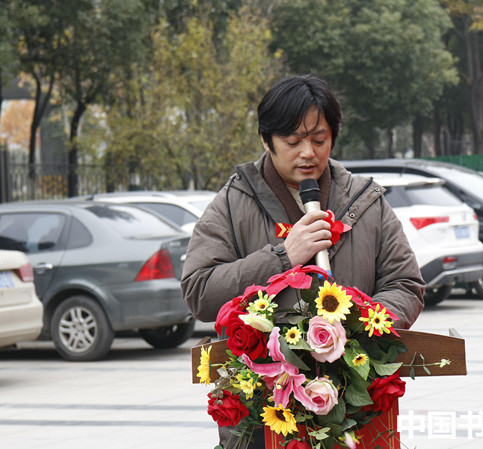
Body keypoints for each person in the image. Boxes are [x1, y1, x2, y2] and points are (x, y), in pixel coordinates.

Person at [181, 74, 425, 448]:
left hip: (354, 407)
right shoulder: (232, 204)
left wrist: (353, 332)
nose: (308, 152)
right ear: (267, 140)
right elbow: (200, 292)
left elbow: (405, 285)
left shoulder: (365, 201)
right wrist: (283, 256)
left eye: (319, 139)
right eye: (293, 141)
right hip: (264, 414)